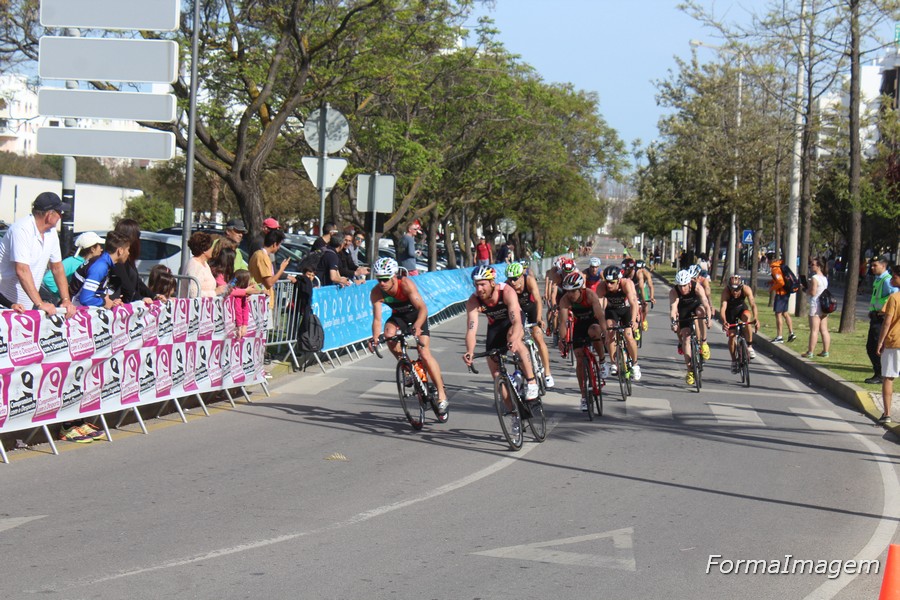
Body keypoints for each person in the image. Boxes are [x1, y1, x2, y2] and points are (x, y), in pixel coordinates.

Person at [370, 257, 448, 414]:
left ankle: (442, 394)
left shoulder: (405, 284)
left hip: (417, 315)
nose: (382, 283)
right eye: (379, 279)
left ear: (393, 276)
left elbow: (423, 308)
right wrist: (375, 338)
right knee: (389, 334)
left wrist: (418, 326)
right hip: (399, 316)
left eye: (385, 279)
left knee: (424, 353)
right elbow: (377, 319)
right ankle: (407, 368)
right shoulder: (376, 292)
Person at [462, 266, 540, 420]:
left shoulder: (506, 291)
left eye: (482, 284)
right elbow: (471, 330)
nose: (479, 289)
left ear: (492, 282)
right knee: (495, 370)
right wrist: (469, 351)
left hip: (514, 321)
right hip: (495, 326)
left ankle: (531, 382)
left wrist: (514, 339)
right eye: (476, 285)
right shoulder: (473, 300)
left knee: (514, 339)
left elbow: (516, 321)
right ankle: (514, 414)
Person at [0, 191, 76, 317]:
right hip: (4, 304)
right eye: (59, 212)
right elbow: (22, 270)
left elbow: (57, 267)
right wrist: (40, 303)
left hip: (25, 307)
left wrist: (66, 300)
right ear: (49, 215)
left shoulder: (51, 233)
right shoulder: (21, 229)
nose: (61, 216)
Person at [556, 271, 608, 411]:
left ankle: (602, 361)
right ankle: (584, 396)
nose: (570, 294)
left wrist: (605, 333)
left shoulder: (590, 295)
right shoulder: (565, 300)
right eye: (567, 291)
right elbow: (563, 323)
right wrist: (562, 340)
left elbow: (600, 316)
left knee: (594, 331)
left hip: (593, 322)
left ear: (580, 289)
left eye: (573, 291)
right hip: (579, 326)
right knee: (579, 358)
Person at [505, 261, 555, 388]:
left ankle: (547, 373)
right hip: (518, 311)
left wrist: (538, 319)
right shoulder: (508, 286)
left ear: (522, 276)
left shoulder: (529, 280)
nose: (512, 282)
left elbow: (538, 300)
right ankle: (520, 370)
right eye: (510, 279)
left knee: (537, 336)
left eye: (515, 278)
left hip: (532, 308)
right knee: (516, 338)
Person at [596, 265, 642, 382]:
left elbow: (633, 303)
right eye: (607, 282)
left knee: (628, 336)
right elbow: (599, 308)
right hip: (612, 310)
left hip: (627, 309)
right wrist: (601, 325)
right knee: (610, 332)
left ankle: (635, 364)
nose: (609, 285)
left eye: (612, 282)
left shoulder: (626, 284)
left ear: (618, 280)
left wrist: (634, 321)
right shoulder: (602, 287)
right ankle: (613, 363)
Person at [669, 269, 712, 386]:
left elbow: (706, 303)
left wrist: (709, 319)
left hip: (696, 305)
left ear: (689, 283)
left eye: (684, 285)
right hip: (683, 310)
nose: (682, 289)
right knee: (686, 338)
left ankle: (704, 342)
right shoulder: (674, 291)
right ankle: (690, 371)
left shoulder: (697, 287)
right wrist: (673, 323)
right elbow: (673, 309)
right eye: (680, 286)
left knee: (701, 312)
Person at [40, 231, 103, 303]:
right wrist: (65, 295)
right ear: (92, 249)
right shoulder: (71, 262)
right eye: (99, 246)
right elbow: (48, 278)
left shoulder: (92, 263)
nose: (101, 249)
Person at [866, 256, 900, 384]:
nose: (872, 268)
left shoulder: (887, 280)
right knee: (870, 346)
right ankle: (878, 372)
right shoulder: (879, 279)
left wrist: (884, 309)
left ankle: (880, 373)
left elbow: (894, 294)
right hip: (875, 315)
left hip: (882, 317)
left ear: (883, 266)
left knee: (875, 346)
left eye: (875, 265)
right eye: (872, 265)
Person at [74, 232, 132, 308]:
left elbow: (96, 293)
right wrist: (104, 302)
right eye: (128, 250)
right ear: (120, 250)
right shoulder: (100, 266)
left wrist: (111, 302)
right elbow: (86, 299)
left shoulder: (104, 262)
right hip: (75, 310)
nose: (128, 253)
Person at [875, 264, 900, 425]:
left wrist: (880, 342)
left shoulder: (894, 298)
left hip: (894, 341)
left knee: (888, 377)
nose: (892, 279)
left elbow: (887, 322)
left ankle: (887, 414)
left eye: (895, 276)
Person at [108, 218, 155, 303]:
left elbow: (138, 283)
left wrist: (154, 296)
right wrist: (141, 299)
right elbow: (127, 287)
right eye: (138, 235)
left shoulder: (129, 260)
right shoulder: (118, 261)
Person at [719, 275, 759, 372]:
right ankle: (733, 361)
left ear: (741, 287)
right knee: (731, 336)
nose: (735, 292)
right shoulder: (726, 292)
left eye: (737, 290)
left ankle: (749, 346)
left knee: (747, 319)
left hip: (741, 308)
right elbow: (723, 308)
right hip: (730, 312)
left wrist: (756, 318)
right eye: (732, 290)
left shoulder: (746, 289)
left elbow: (753, 304)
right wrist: (724, 322)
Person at [249, 229, 291, 310]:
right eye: (279, 245)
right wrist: (281, 269)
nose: (279, 248)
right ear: (274, 244)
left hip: (262, 300)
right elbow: (269, 283)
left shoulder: (259, 254)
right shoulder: (262, 257)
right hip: (261, 302)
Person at [802, 258, 831, 359]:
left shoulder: (814, 278)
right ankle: (825, 351)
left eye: (813, 264)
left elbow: (813, 292)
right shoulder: (824, 278)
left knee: (814, 330)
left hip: (816, 305)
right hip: (824, 306)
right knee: (824, 330)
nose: (811, 266)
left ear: (818, 266)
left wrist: (805, 289)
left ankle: (810, 352)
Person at [768, 257, 797, 344]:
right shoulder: (780, 266)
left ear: (770, 260)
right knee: (785, 313)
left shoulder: (775, 269)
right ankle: (791, 333)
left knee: (778, 314)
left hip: (781, 294)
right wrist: (772, 282)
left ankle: (779, 336)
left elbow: (781, 282)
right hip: (786, 293)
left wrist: (772, 288)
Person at [185, 232, 221, 298]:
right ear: (204, 250)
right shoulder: (195, 266)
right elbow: (193, 294)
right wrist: (215, 292)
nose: (212, 249)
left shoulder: (205, 264)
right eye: (211, 247)